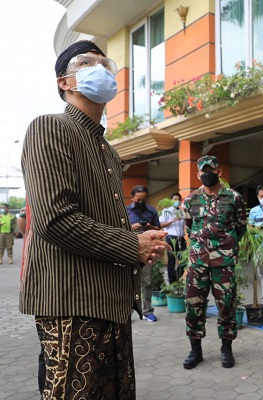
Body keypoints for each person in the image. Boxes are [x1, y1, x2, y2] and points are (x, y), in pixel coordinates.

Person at [20, 40, 169, 398]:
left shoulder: (108, 150)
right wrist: (130, 244)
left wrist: (138, 240)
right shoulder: (49, 128)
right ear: (64, 82)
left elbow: (96, 220)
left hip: (111, 300)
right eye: (87, 62)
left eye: (106, 63)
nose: (100, 68)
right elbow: (54, 219)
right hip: (71, 300)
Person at [182, 155, 247, 370]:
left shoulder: (234, 198)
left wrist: (225, 248)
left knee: (226, 306)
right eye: (203, 170)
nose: (207, 174)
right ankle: (195, 350)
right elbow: (189, 228)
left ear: (219, 172)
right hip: (198, 262)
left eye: (211, 170)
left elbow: (240, 227)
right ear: (198, 174)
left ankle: (226, 349)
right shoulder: (190, 200)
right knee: (193, 305)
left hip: (224, 261)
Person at [127, 185, 162, 322]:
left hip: (148, 251)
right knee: (128, 282)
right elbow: (116, 228)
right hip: (130, 248)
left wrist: (149, 227)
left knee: (146, 282)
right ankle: (127, 311)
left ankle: (147, 311)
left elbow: (158, 228)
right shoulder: (126, 210)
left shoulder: (151, 210)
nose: (141, 202)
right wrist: (131, 227)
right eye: (138, 199)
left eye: (143, 199)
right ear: (132, 197)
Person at [248, 185, 263, 305]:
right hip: (260, 247)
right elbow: (250, 229)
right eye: (261, 196)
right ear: (257, 197)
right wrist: (257, 228)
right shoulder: (253, 211)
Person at [160, 192, 187, 284]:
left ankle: (176, 278)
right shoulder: (166, 211)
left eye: (179, 199)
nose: (177, 201)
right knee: (171, 260)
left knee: (184, 260)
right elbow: (161, 224)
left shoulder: (182, 212)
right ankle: (172, 282)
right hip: (171, 238)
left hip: (181, 238)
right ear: (171, 200)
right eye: (175, 199)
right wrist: (173, 220)